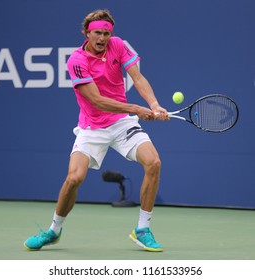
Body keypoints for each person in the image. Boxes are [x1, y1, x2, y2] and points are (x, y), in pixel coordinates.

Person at [24, 9, 169, 252]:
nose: (102, 38)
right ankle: (53, 231)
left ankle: (142, 229)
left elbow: (138, 77)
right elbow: (96, 100)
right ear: (87, 33)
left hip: (122, 123)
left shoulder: (118, 45)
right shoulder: (76, 61)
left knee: (153, 162)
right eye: (97, 33)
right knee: (74, 178)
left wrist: (154, 105)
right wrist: (137, 107)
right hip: (92, 127)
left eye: (107, 33)